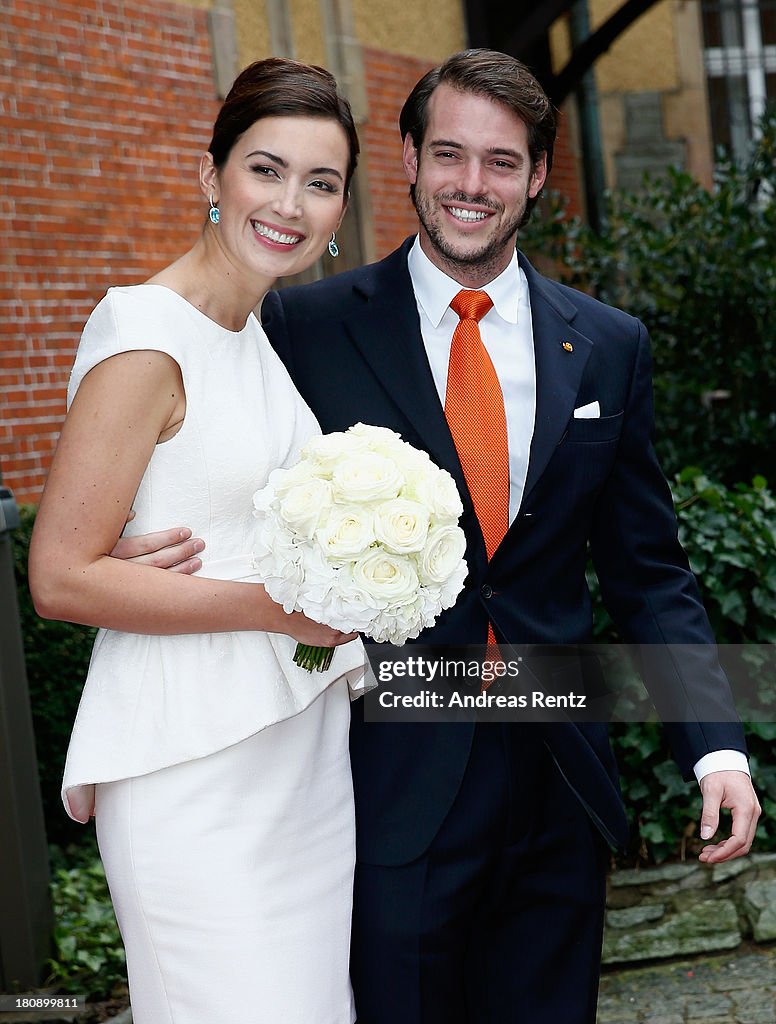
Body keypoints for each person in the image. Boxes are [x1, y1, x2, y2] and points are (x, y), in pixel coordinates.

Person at [115, 49, 761, 1024]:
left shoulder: (607, 344)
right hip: (385, 780)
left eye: (500, 162)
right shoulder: (304, 326)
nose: (471, 184)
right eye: (448, 154)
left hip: (557, 779)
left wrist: (714, 750)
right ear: (408, 159)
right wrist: (133, 543)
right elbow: (211, 480)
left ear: (537, 175)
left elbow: (647, 570)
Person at [29, 58, 367, 1024]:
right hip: (194, 765)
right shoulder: (146, 335)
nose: (290, 204)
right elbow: (57, 576)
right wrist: (266, 602)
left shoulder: (252, 334)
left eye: (321, 181)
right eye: (266, 169)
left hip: (297, 756)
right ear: (208, 176)